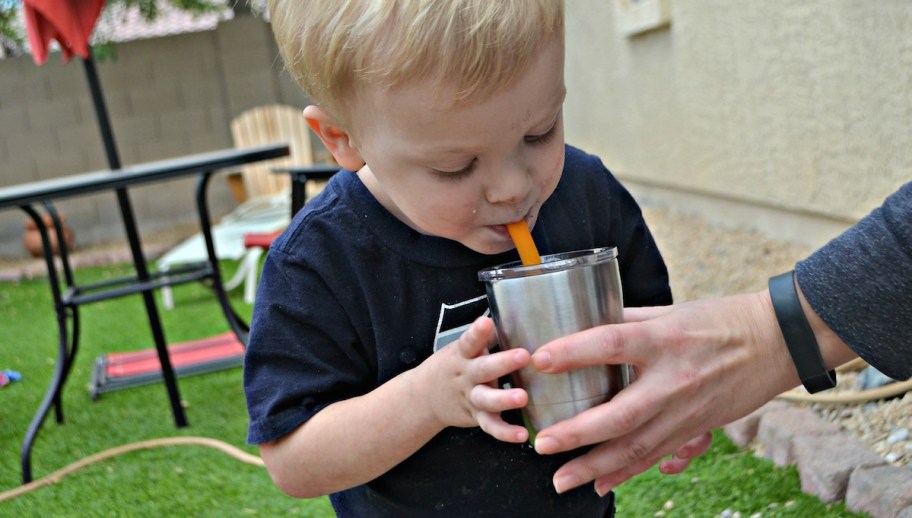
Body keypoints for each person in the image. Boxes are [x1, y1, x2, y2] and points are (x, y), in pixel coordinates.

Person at [244, 1, 690, 515]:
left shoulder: (585, 194)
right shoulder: (320, 263)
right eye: (455, 167)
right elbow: (293, 462)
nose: (513, 188)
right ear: (343, 139)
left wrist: (669, 403)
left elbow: (658, 340)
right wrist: (430, 399)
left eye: (539, 132)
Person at [528, 181, 912, 496]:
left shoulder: (588, 185)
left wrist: (774, 334)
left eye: (541, 133)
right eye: (463, 166)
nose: (510, 189)